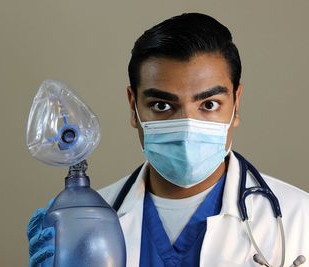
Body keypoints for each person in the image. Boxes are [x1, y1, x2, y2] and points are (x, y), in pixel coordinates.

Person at [27, 13, 309, 267]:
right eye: (162, 106)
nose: (187, 127)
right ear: (133, 107)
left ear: (236, 103)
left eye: (209, 104)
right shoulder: (89, 226)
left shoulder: (300, 218)